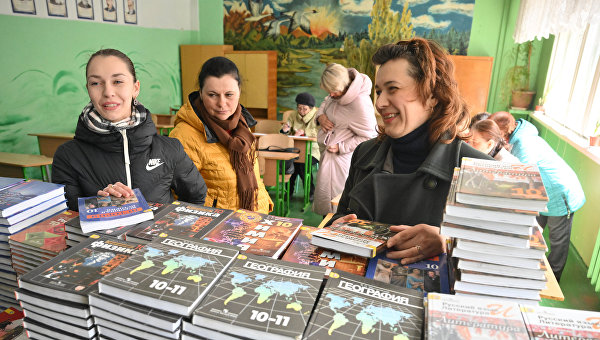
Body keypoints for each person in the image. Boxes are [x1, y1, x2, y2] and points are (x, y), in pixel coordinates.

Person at [329, 38, 492, 264]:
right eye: (378, 91)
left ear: (433, 95)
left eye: (393, 89)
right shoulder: (364, 153)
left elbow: (503, 256)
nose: (380, 103)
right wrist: (335, 226)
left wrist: (447, 240)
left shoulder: (478, 168)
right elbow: (343, 212)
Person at [52, 49, 207, 211]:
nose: (108, 92)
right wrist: (100, 206)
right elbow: (65, 216)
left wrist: (168, 229)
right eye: (96, 83)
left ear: (135, 88)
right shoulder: (68, 156)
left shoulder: (169, 149)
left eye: (117, 81)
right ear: (88, 89)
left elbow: (196, 197)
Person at [490, 111, 586, 281]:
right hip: (543, 193)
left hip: (560, 194)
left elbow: (522, 176)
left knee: (557, 242)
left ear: (504, 132)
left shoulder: (524, 143)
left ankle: (552, 280)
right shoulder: (517, 137)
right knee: (531, 233)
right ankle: (529, 271)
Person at [169, 56, 273, 213]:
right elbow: (180, 197)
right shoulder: (184, 135)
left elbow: (255, 177)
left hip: (254, 218)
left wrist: (264, 206)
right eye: (212, 95)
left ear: (239, 92)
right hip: (216, 228)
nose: (222, 103)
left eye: (229, 95)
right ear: (201, 93)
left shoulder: (242, 125)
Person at [313, 63, 377, 215]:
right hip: (328, 159)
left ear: (344, 85)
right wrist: (320, 117)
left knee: (337, 208)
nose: (332, 95)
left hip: (341, 163)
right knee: (327, 207)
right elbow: (326, 101)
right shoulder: (338, 92)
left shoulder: (360, 104)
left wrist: (341, 146)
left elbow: (371, 136)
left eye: (334, 91)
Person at [281, 92, 320, 199]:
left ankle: (307, 192)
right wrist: (285, 130)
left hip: (313, 150)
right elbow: (285, 134)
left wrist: (304, 133)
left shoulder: (318, 116)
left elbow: (320, 133)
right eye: (299, 108)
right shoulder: (293, 115)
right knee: (290, 163)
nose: (301, 111)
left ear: (311, 108)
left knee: (302, 163)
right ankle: (298, 191)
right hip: (295, 149)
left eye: (304, 109)